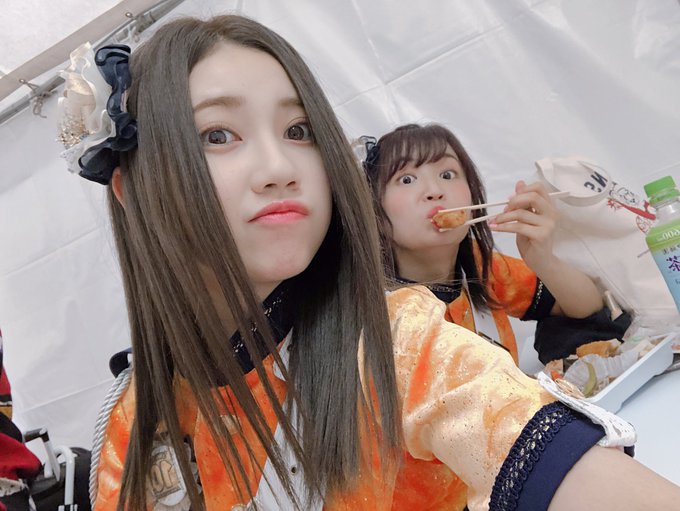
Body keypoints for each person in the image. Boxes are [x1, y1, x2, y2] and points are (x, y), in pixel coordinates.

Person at [55, 15, 680, 511]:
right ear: (132, 188)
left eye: (300, 131)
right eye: (218, 135)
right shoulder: (136, 415)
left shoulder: (399, 341)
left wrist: (547, 258)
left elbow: (575, 349)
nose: (280, 167)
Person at [363, 123, 604, 362]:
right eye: (406, 179)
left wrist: (544, 261)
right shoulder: (378, 315)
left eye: (447, 175)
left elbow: (587, 308)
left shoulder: (481, 266)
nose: (435, 190)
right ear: (372, 208)